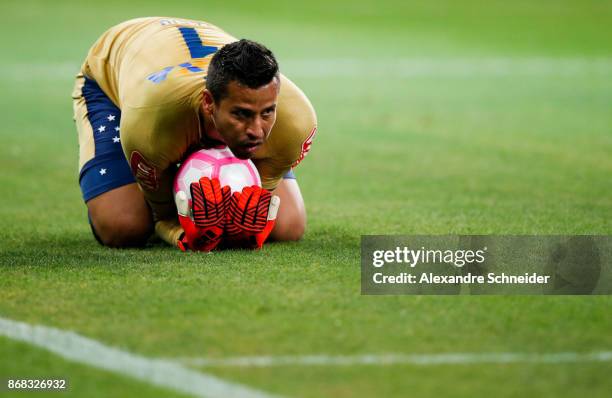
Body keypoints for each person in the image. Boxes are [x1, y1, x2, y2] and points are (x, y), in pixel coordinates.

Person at [72, 17, 317, 250]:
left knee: (287, 227)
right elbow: (165, 217)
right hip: (115, 69)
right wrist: (185, 234)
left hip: (186, 54)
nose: (256, 130)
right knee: (124, 227)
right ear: (209, 103)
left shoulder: (295, 122)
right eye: (241, 114)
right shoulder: (150, 121)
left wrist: (242, 225)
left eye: (266, 113)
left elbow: (255, 203)